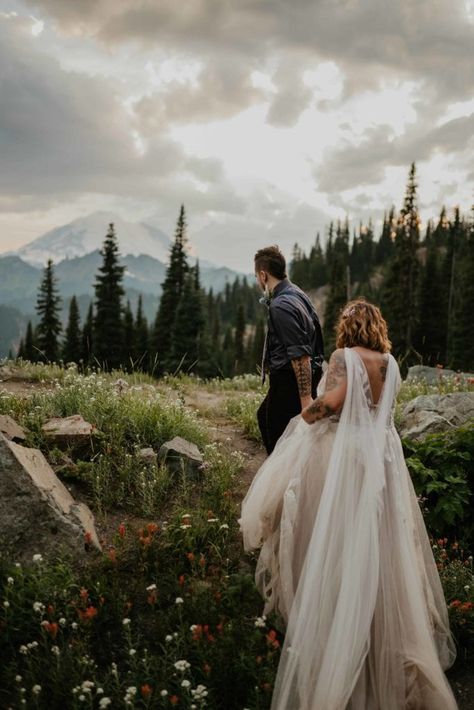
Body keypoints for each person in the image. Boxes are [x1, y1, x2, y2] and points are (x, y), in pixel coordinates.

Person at [240, 300, 457, 710]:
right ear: (377, 326)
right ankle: (382, 638)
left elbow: (333, 404)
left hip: (346, 460)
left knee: (333, 539)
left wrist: (307, 410)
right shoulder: (390, 363)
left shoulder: (344, 357)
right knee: (382, 547)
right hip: (385, 464)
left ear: (348, 328)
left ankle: (333, 627)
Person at [254, 246, 324, 455]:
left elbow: (299, 354)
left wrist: (306, 401)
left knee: (278, 437)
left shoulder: (281, 305)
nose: (258, 281)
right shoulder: (296, 292)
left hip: (289, 381)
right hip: (302, 375)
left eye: (257, 276)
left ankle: (282, 481)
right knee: (264, 415)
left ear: (264, 275)